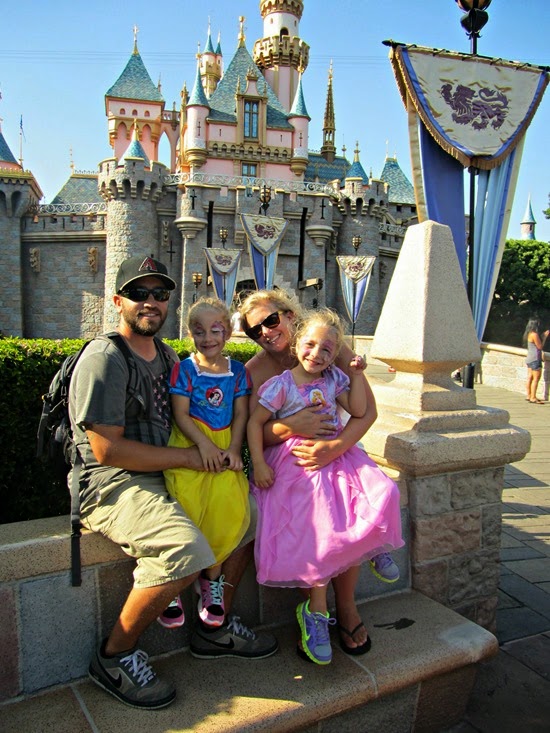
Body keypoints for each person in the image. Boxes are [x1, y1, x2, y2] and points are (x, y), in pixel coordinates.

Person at [68, 256, 277, 710]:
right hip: (115, 483)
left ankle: (214, 627)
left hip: (169, 472)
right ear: (117, 300)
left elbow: (220, 397)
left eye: (159, 294)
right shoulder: (106, 359)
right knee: (184, 549)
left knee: (249, 516)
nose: (150, 302)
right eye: (138, 293)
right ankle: (114, 656)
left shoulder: (167, 356)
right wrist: (191, 457)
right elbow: (107, 451)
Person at [240, 289, 401, 657]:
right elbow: (255, 429)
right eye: (253, 330)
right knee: (317, 514)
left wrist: (335, 448)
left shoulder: (328, 343)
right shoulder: (258, 373)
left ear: (289, 315)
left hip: (335, 450)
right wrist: (290, 426)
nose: (265, 332)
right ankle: (317, 609)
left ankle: (347, 602)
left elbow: (365, 411)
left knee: (363, 497)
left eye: (270, 320)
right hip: (293, 460)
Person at [163, 297, 250, 629]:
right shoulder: (185, 369)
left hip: (224, 449)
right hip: (190, 446)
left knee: (226, 511)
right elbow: (181, 414)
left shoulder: (238, 371)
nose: (208, 338)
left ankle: (210, 582)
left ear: (227, 331)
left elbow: (240, 414)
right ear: (190, 334)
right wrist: (203, 446)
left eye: (215, 330)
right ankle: (170, 584)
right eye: (199, 331)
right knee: (185, 509)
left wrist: (235, 449)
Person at [524, 317, 549, 404]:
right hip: (535, 359)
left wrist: (541, 336)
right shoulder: (534, 334)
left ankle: (529, 395)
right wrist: (544, 337)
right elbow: (540, 346)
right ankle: (533, 397)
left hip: (529, 358)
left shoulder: (529, 333)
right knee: (536, 379)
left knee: (530, 377)